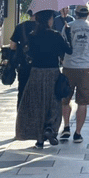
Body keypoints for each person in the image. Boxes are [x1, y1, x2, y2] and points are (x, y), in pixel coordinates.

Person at [16, 9, 73, 149]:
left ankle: (39, 139)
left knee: (38, 104)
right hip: (53, 72)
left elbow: (29, 52)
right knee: (53, 102)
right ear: (49, 20)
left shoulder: (32, 36)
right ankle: (50, 128)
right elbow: (69, 50)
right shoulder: (56, 35)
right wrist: (68, 34)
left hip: (36, 73)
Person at [61, 5, 89, 143]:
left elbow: (62, 45)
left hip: (68, 67)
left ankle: (66, 126)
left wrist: (63, 60)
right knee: (82, 102)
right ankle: (78, 133)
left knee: (65, 99)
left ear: (76, 13)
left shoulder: (68, 26)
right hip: (85, 69)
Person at [9, 10, 36, 108]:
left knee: (22, 91)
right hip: (39, 66)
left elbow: (12, 46)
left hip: (23, 64)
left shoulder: (20, 27)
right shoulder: (43, 28)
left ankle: (21, 115)